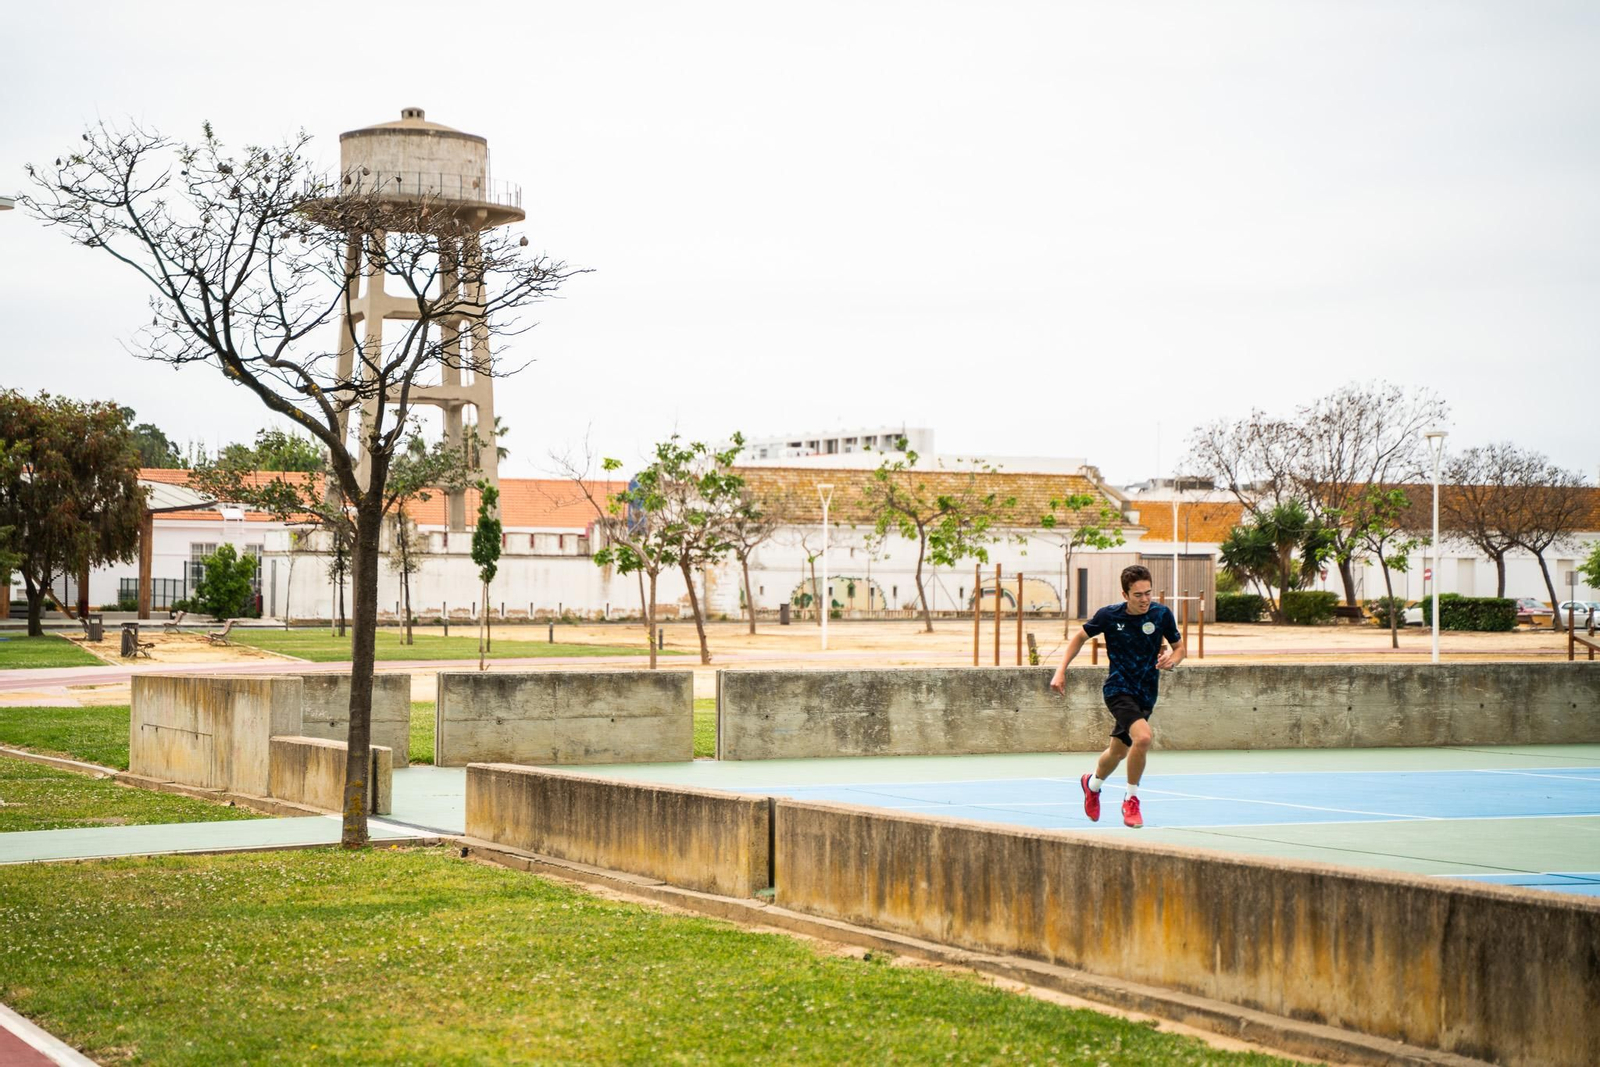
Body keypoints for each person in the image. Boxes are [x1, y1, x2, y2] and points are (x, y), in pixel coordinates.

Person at [1049, 564, 1184, 828]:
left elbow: (1179, 649)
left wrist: (1172, 660)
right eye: (1138, 595)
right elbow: (1078, 638)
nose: (1145, 599)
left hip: (1147, 692)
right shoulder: (1109, 616)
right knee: (1143, 738)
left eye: (1148, 593)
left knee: (1118, 751)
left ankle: (1091, 784)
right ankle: (1131, 800)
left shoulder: (1161, 614)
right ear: (1125, 595)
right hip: (1118, 689)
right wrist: (1060, 671)